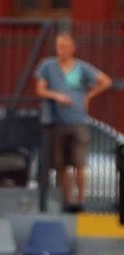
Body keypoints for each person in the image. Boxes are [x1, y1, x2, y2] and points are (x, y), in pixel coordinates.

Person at [36, 33, 112, 213]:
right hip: (58, 122)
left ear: (72, 48)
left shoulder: (81, 68)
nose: (61, 50)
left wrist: (89, 95)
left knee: (79, 162)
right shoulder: (48, 66)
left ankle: (80, 199)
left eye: (64, 46)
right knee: (62, 164)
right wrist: (57, 96)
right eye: (58, 46)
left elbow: (105, 81)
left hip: (78, 121)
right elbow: (40, 90)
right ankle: (67, 199)